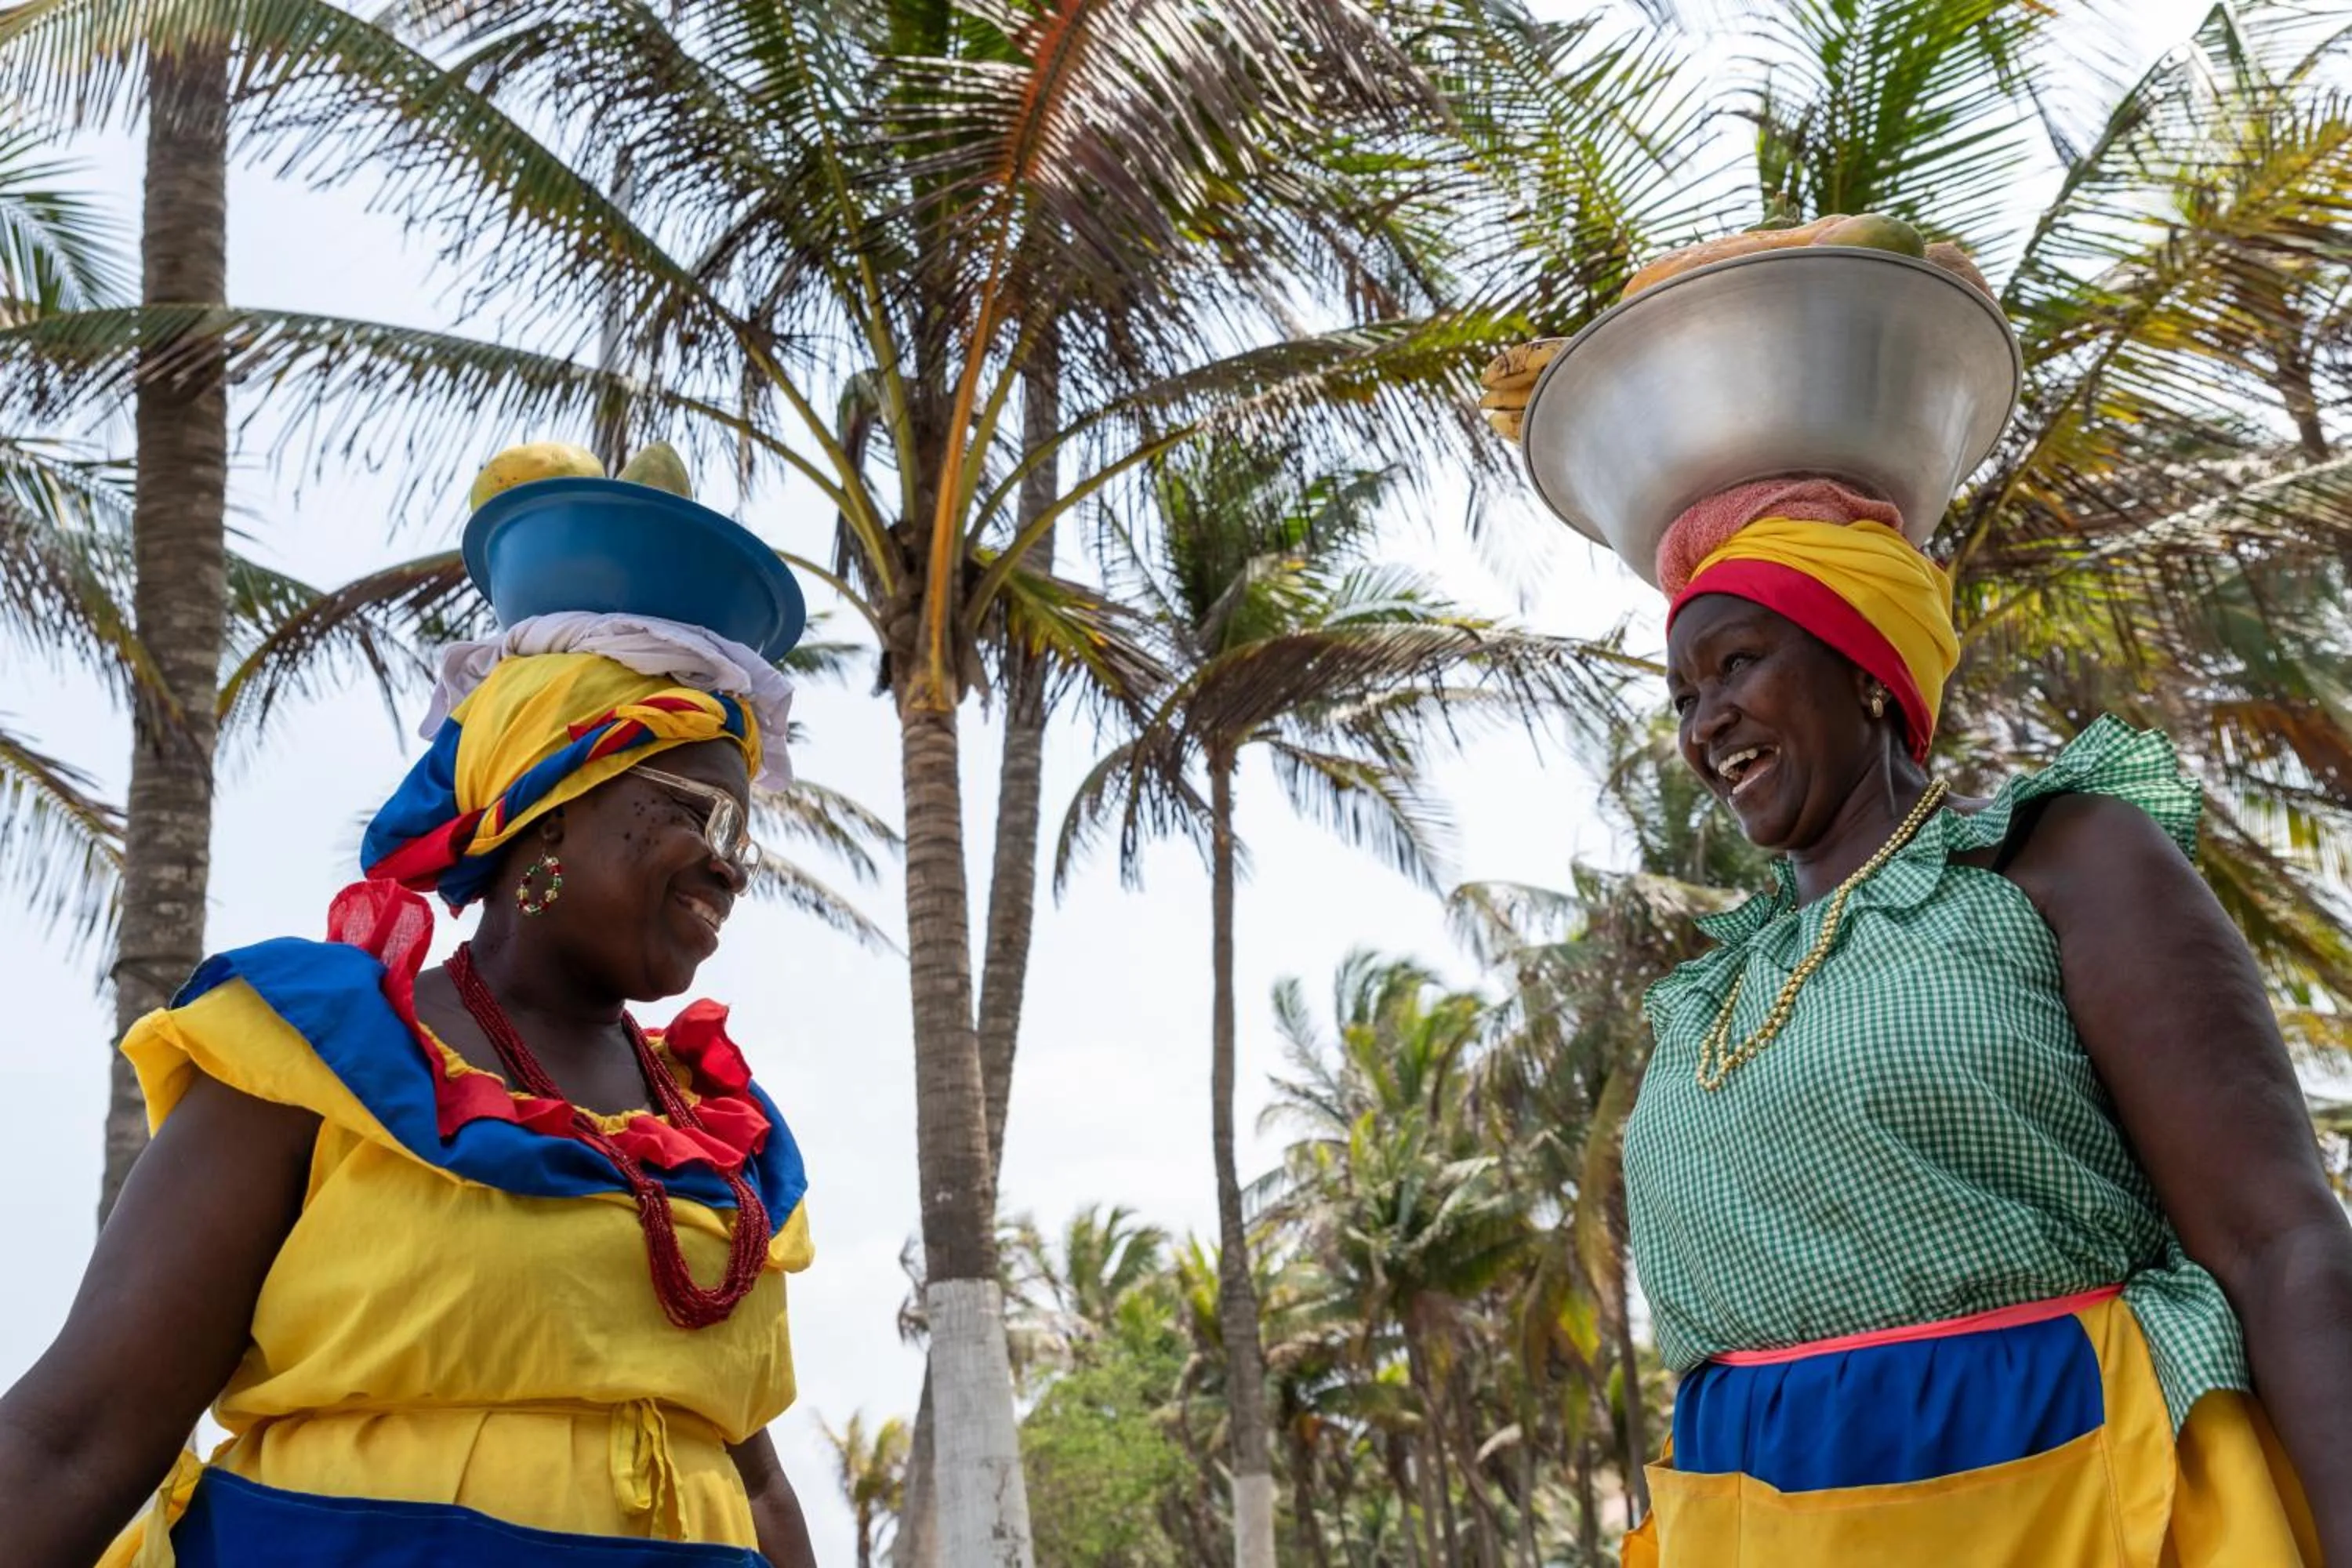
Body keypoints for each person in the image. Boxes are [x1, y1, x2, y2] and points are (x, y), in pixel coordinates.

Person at [1489, 249, 2352, 1560]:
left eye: (1737, 664)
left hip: (2066, 1505)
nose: (1705, 722)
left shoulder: (2057, 864)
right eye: (1683, 694)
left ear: (1869, 670)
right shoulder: (1717, 992)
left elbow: (2280, 1241)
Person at [0, 474, 822, 1565]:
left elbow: (754, 1483)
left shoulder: (713, 1127)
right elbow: (73, 1442)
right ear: (546, 807)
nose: (729, 865)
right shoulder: (321, 1055)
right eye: (692, 812)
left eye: (740, 834)